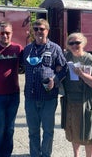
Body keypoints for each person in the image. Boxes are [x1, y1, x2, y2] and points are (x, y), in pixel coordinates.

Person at [23, 18, 68, 157]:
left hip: (48, 98)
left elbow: (64, 68)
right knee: (33, 131)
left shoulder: (55, 48)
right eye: (35, 29)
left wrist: (55, 79)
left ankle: (46, 154)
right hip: (30, 97)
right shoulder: (27, 49)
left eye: (41, 29)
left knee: (48, 131)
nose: (38, 31)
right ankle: (35, 155)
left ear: (47, 31)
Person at [62, 32, 92, 157]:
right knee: (74, 130)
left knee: (89, 133)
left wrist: (82, 75)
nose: (74, 45)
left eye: (77, 42)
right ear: (68, 45)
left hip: (87, 102)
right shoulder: (66, 57)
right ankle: (76, 155)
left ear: (83, 43)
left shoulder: (90, 59)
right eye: (71, 43)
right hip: (71, 101)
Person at [0, 21, 23, 157]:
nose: (5, 35)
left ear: (11, 33)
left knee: (10, 129)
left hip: (14, 94)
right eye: (2, 33)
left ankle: (6, 154)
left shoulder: (18, 49)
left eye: (7, 33)